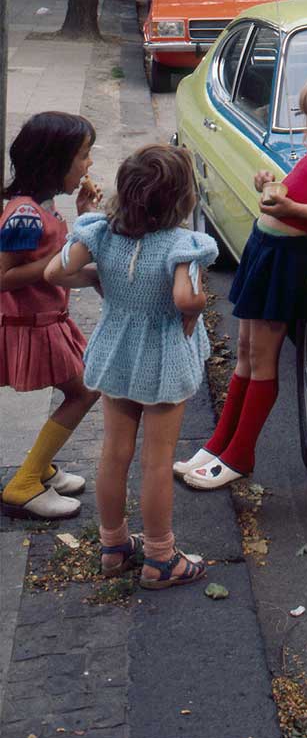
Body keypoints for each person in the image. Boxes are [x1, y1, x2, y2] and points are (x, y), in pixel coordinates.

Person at [178, 64, 307, 490]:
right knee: (245, 351)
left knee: (262, 359)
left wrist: (292, 211)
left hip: (285, 258)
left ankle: (240, 453)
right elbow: (303, 192)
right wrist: (271, 185)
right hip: (266, 250)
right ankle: (217, 444)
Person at [47, 145, 215, 588]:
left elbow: (55, 273)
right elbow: (183, 297)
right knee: (156, 463)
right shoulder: (183, 245)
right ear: (181, 199)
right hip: (162, 361)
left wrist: (101, 279)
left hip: (116, 353)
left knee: (114, 453)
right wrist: (197, 306)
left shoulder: (102, 234)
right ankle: (161, 558)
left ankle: (114, 545)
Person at [0, 113, 103, 521]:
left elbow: (59, 265)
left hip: (48, 319)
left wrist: (83, 226)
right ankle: (24, 483)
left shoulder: (44, 207)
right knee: (84, 391)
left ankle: (41, 468)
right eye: (83, 155)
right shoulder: (24, 213)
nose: (89, 165)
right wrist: (56, 269)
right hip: (31, 325)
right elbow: (4, 277)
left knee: (83, 387)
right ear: (54, 160)